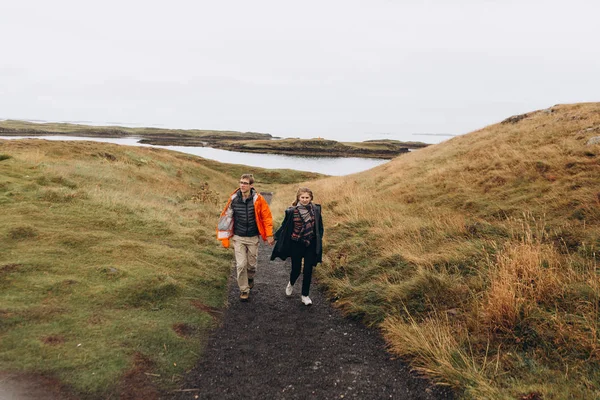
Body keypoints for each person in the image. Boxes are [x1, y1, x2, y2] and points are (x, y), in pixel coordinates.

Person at [217, 174, 274, 301]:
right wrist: (224, 237)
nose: (242, 185)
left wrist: (269, 234)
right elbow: (226, 219)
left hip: (253, 237)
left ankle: (250, 278)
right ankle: (244, 290)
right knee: (241, 265)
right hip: (238, 237)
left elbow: (267, 218)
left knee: (251, 265)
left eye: (245, 183)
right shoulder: (233, 199)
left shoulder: (258, 199)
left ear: (251, 185)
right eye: (241, 182)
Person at [271, 187, 324, 306]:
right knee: (296, 269)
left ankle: (305, 295)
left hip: (311, 243)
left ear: (311, 198)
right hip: (296, 243)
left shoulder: (316, 210)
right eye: (302, 197)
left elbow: (320, 227)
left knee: (308, 270)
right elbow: (284, 227)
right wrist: (274, 237)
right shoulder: (291, 211)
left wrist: (319, 238)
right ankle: (291, 282)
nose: (305, 200)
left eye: (307, 197)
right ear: (298, 198)